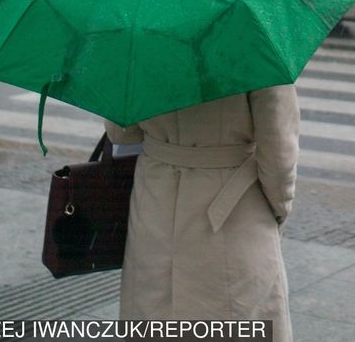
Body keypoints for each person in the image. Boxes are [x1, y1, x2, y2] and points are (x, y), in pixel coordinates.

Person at [104, 84, 299, 342]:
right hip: (234, 205)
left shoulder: (140, 47)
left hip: (155, 199)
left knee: (152, 312)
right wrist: (278, 211)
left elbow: (121, 133)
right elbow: (278, 155)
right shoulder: (258, 52)